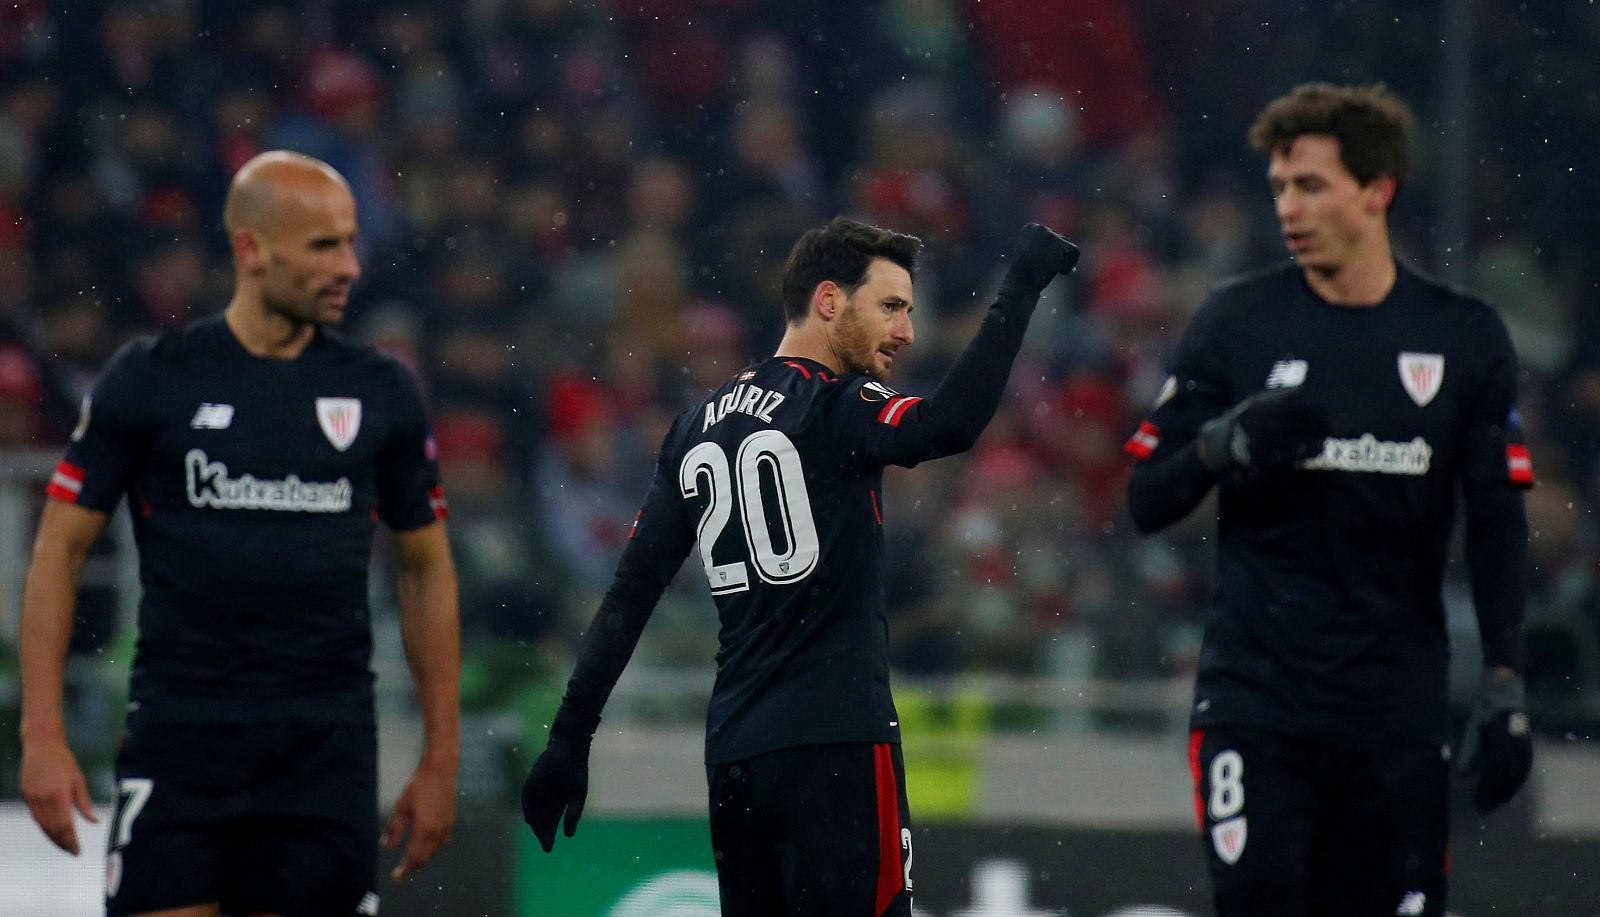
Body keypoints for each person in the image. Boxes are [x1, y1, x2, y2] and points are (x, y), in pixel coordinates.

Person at [520, 216, 1077, 914]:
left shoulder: (697, 424)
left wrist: (571, 737)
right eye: (892, 306)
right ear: (829, 301)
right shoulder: (834, 403)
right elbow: (948, 427)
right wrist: (1019, 287)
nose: (906, 332)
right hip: (837, 745)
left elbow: (630, 595)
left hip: (736, 758)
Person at [1125, 83, 1534, 916]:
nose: (1288, 206)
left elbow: (1497, 522)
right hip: (1258, 703)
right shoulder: (1236, 322)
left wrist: (1504, 680)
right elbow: (1145, 498)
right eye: (1279, 187)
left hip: (1396, 715)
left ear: (1377, 190)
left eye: (1310, 185)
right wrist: (1220, 442)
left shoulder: (1462, 336)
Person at [18, 151, 461, 917]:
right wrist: (43, 733)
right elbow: (59, 550)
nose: (349, 266)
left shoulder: (380, 389)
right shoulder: (152, 378)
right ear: (252, 250)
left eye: (351, 242)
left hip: (325, 751)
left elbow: (424, 567)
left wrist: (441, 752)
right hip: (180, 738)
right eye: (323, 245)